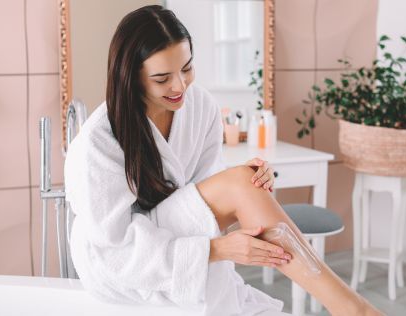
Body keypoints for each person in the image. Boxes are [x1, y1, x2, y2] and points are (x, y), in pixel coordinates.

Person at [64, 5, 382, 316]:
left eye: (186, 68)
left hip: (176, 234)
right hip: (121, 262)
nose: (179, 86)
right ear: (130, 77)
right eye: (162, 78)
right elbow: (115, 250)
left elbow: (204, 194)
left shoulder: (200, 106)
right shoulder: (98, 140)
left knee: (247, 180)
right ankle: (352, 309)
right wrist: (215, 249)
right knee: (241, 184)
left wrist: (247, 184)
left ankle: (349, 307)